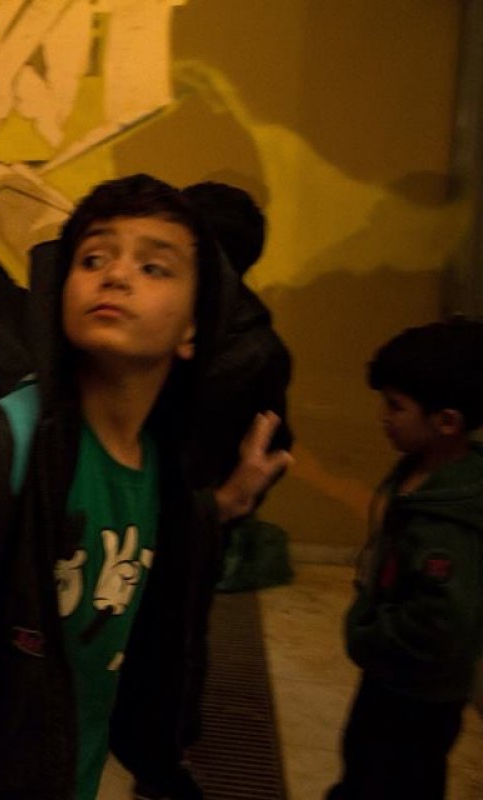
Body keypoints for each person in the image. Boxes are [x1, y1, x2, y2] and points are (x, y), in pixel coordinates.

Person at [0, 175, 292, 800]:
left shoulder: (161, 466)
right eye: (94, 258)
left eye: (153, 267)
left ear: (192, 330)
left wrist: (226, 502)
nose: (115, 275)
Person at [123, 181, 294, 799]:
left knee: (173, 637)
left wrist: (221, 509)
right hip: (169, 510)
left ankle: (165, 755)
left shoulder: (239, 348)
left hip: (188, 517)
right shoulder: (214, 328)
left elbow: (267, 443)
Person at [326, 320, 483, 800]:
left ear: (446, 422)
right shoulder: (420, 472)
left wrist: (369, 635)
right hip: (391, 675)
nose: (383, 417)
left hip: (419, 691)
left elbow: (442, 623)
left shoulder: (450, 521)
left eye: (396, 406)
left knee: (398, 777)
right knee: (364, 760)